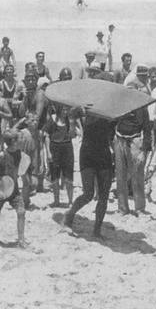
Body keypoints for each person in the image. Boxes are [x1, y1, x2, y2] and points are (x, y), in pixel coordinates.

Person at [63, 100, 115, 238]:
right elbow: (72, 113)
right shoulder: (85, 111)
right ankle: (70, 215)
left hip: (104, 154)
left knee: (104, 196)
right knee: (88, 194)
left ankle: (97, 230)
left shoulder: (110, 112)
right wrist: (75, 117)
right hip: (88, 154)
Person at [0, 129, 28, 248]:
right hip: (1, 187)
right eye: (21, 138)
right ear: (14, 141)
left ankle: (21, 239)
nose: (23, 140)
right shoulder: (1, 155)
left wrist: (25, 181)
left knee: (21, 211)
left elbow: (20, 169)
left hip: (14, 189)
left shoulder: (19, 153)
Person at [44, 106, 75, 207]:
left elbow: (73, 135)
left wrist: (71, 123)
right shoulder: (53, 119)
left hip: (67, 148)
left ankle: (70, 201)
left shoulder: (69, 120)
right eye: (63, 110)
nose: (65, 112)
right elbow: (46, 136)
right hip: (55, 148)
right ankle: (56, 200)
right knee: (55, 176)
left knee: (69, 176)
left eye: (67, 110)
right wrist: (48, 152)